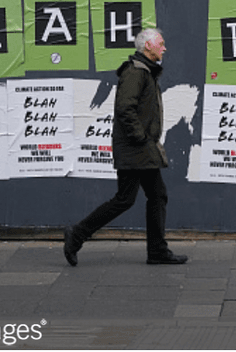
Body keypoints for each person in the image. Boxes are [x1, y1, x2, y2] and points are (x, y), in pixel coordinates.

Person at [63, 28, 187, 266]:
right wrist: (140, 137)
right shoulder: (135, 73)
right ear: (147, 46)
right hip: (135, 149)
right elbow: (124, 108)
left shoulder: (145, 71)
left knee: (156, 195)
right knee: (125, 199)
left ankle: (157, 251)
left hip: (142, 148)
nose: (164, 48)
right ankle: (77, 234)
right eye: (161, 43)